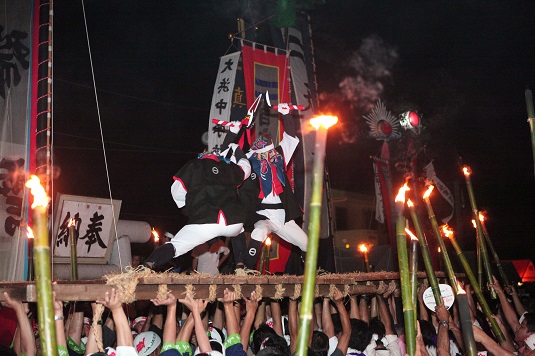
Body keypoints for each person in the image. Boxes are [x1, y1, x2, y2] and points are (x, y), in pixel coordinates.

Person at [144, 143, 251, 270]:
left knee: (176, 245)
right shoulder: (229, 168)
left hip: (205, 221)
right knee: (240, 231)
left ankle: (147, 265)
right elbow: (246, 167)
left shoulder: (193, 165)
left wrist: (190, 202)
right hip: (233, 222)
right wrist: (237, 150)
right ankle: (240, 265)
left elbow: (177, 192)